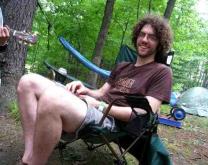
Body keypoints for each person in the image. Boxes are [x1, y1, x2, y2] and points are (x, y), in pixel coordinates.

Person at [17, 14, 173, 165]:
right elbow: (100, 93)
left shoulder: (161, 72)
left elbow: (143, 114)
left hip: (110, 121)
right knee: (27, 82)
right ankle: (29, 154)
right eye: (142, 34)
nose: (145, 40)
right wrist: (84, 89)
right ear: (136, 36)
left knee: (52, 98)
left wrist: (99, 106)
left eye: (151, 37)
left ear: (160, 43)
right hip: (92, 106)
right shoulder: (123, 66)